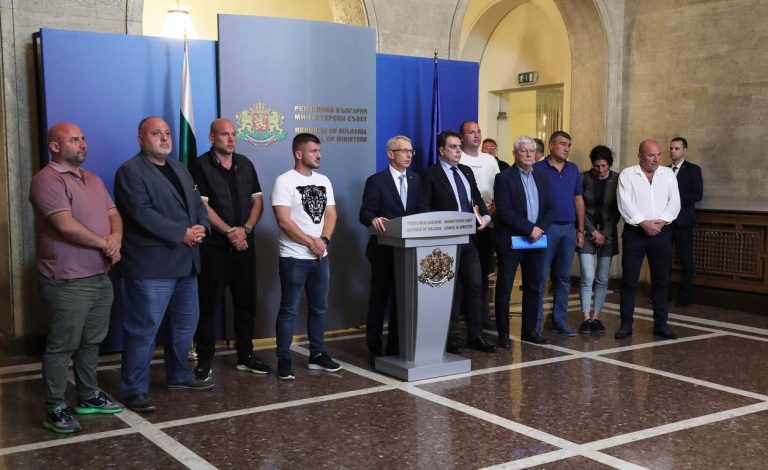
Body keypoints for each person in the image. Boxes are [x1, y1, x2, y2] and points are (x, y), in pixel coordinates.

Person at [30, 122, 124, 433]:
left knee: (90, 341)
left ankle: (88, 395)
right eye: (74, 140)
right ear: (55, 146)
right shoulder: (46, 180)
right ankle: (55, 407)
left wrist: (116, 239)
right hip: (67, 279)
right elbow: (65, 225)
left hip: (99, 275)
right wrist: (105, 244)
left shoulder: (93, 179)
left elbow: (113, 214)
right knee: (62, 345)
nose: (83, 144)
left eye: (83, 139)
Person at [115, 116, 212, 413]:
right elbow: (140, 212)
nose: (165, 138)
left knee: (184, 326)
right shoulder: (130, 171)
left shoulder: (179, 167)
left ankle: (179, 375)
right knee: (143, 330)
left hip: (186, 263)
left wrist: (203, 226)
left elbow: (198, 204)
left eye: (167, 133)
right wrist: (181, 233)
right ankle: (135, 389)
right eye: (156, 133)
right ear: (141, 138)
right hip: (151, 266)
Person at [189, 118, 270, 382]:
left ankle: (246, 355)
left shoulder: (245, 163)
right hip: (215, 247)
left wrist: (245, 230)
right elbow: (202, 206)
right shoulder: (199, 165)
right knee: (208, 305)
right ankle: (204, 360)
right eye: (225, 134)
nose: (231, 139)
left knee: (246, 303)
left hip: (245, 244)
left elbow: (257, 201)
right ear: (212, 138)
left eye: (234, 134)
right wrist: (229, 232)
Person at [419, 130, 497, 354]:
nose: (458, 151)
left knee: (475, 286)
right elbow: (423, 207)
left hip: (469, 239)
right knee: (450, 291)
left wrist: (486, 217)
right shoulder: (430, 175)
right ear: (441, 150)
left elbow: (476, 198)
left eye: (459, 147)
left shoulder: (466, 171)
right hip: (444, 243)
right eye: (453, 147)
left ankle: (475, 335)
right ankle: (449, 337)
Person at [271, 133, 342, 380]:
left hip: (320, 257)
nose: (319, 155)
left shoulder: (324, 180)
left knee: (319, 308)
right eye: (313, 151)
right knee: (288, 309)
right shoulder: (284, 181)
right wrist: (312, 243)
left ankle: (317, 354)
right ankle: (284, 359)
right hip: (293, 257)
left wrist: (324, 241)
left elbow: (331, 214)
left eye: (319, 151)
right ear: (299, 154)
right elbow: (283, 221)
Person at [359, 135, 422, 366]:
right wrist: (373, 219)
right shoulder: (377, 181)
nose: (408, 155)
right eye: (404, 150)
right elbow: (365, 213)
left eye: (411, 151)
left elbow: (422, 210)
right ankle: (375, 349)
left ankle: (396, 347)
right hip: (384, 250)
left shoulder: (416, 180)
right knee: (379, 300)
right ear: (390, 154)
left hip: (409, 252)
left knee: (402, 301)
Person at [616, 139, 680, 340]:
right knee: (629, 281)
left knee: (661, 281)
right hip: (635, 233)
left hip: (662, 232)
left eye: (658, 154)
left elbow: (675, 202)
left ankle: (661, 324)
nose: (656, 159)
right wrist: (643, 223)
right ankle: (626, 324)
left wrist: (661, 222)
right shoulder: (628, 174)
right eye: (651, 155)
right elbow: (624, 203)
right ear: (640, 156)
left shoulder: (668, 174)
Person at [493, 136, 554, 346]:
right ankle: (503, 334)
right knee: (505, 289)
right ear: (514, 154)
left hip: (536, 241)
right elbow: (504, 211)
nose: (528, 154)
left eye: (531, 151)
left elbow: (551, 207)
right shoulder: (503, 178)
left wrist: (540, 229)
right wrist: (530, 229)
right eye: (523, 151)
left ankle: (529, 331)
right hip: (511, 241)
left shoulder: (542, 176)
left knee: (534, 287)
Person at [533, 131, 585, 337]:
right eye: (563, 144)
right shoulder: (538, 169)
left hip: (569, 229)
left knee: (563, 278)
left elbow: (578, 199)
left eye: (569, 145)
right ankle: (535, 324)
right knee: (540, 277)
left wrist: (580, 229)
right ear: (551, 145)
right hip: (547, 229)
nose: (566, 148)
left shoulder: (573, 169)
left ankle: (559, 321)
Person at [459, 121, 500, 331]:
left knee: (483, 273)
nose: (476, 135)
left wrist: (487, 217)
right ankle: (463, 315)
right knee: (463, 275)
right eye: (471, 132)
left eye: (478, 132)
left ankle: (482, 315)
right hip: (462, 225)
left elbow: (498, 191)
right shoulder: (458, 158)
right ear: (461, 136)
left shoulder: (490, 160)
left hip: (487, 224)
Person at [577, 145, 620, 334]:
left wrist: (605, 233)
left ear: (609, 164)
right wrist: (593, 231)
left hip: (608, 234)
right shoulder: (583, 178)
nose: (600, 170)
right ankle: (586, 318)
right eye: (596, 166)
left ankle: (596, 317)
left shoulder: (618, 179)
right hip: (587, 231)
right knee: (588, 276)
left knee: (602, 278)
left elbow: (618, 210)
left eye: (604, 166)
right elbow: (579, 207)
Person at [668, 137, 703, 307]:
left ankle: (685, 295)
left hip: (683, 222)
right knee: (663, 259)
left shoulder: (693, 170)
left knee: (685, 259)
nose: (673, 151)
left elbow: (697, 194)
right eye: (671, 148)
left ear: (684, 151)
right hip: (666, 222)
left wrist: (675, 201)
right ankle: (663, 293)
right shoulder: (664, 170)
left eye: (676, 148)